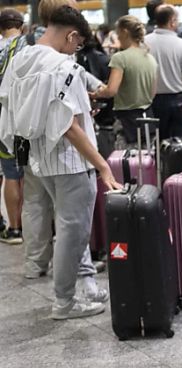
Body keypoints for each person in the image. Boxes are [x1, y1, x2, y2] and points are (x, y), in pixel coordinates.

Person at [0, 6, 123, 318]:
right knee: (73, 230)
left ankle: (85, 286)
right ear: (71, 35)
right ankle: (64, 302)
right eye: (77, 43)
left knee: (69, 227)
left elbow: (18, 107)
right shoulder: (61, 65)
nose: (76, 49)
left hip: (39, 158)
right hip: (72, 160)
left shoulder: (21, 58)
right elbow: (68, 126)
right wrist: (102, 165)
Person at [91, 16, 157, 145]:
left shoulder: (120, 58)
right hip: (148, 119)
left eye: (118, 32)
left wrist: (95, 94)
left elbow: (111, 90)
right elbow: (153, 91)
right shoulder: (150, 58)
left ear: (125, 32)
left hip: (127, 121)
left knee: (126, 162)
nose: (117, 36)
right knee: (147, 160)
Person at [145, 5, 182, 139]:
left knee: (159, 145)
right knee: (181, 148)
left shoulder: (144, 43)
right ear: (172, 21)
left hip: (154, 102)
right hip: (179, 103)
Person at [0, 8, 24, 244]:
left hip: (1, 120)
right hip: (21, 120)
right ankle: (23, 225)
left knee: (6, 174)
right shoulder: (28, 48)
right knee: (21, 173)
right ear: (22, 26)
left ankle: (11, 228)